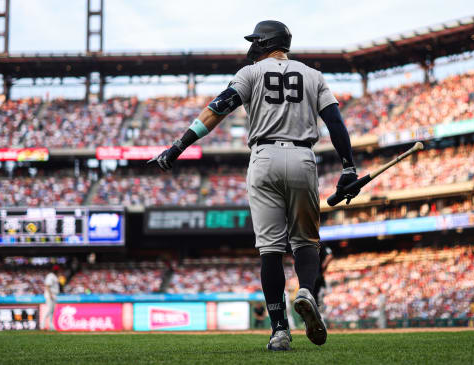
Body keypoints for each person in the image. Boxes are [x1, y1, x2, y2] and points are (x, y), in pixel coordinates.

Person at [149, 20, 359, 351]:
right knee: (306, 240)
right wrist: (348, 167)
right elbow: (335, 122)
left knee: (270, 249)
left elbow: (216, 111)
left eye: (255, 41)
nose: (251, 47)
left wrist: (177, 147)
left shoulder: (250, 74)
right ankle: (306, 289)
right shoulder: (313, 75)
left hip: (263, 158)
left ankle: (279, 330)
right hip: (303, 157)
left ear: (264, 43)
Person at [313, 244, 333, 308]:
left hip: (312, 276)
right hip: (317, 276)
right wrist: (323, 266)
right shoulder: (320, 244)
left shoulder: (307, 244)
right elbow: (329, 256)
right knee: (317, 298)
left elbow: (329, 256)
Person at [42, 265, 61, 331]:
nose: (58, 271)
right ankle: (42, 324)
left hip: (54, 294)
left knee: (52, 311)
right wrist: (50, 295)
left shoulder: (54, 276)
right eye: (57, 269)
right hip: (50, 295)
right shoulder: (50, 276)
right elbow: (47, 286)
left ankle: (51, 326)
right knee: (49, 310)